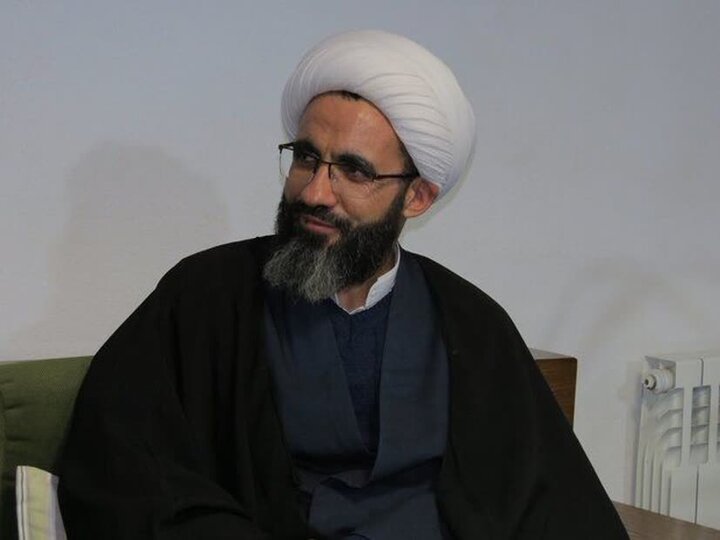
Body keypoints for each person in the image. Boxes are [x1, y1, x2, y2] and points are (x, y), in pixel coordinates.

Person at [58, 30, 628, 539]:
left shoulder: (471, 325)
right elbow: (124, 466)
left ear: (417, 196)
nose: (314, 192)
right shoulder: (206, 297)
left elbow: (552, 502)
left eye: (354, 171)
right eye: (306, 158)